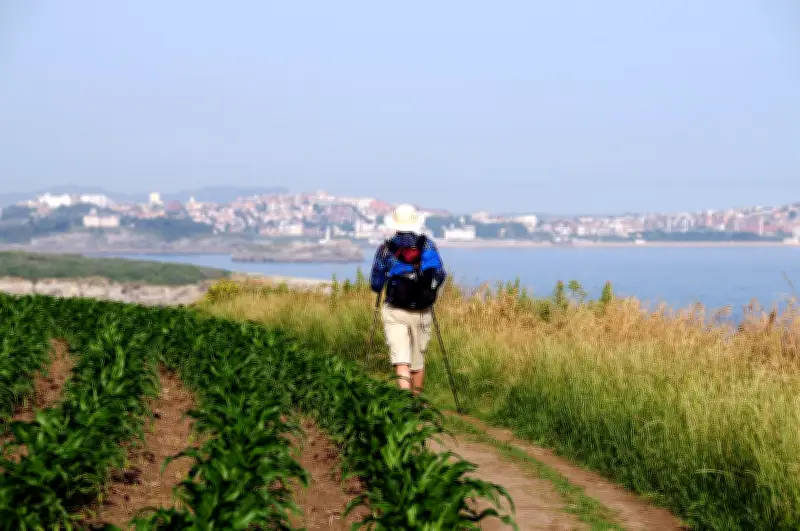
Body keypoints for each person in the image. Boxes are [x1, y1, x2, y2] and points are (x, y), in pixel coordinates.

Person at [369, 203, 447, 395]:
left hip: (395, 309)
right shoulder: (427, 245)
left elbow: (376, 283)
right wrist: (425, 288)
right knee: (417, 361)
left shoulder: (386, 248)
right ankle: (417, 403)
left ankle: (406, 405)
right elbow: (439, 275)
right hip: (421, 310)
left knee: (401, 361)